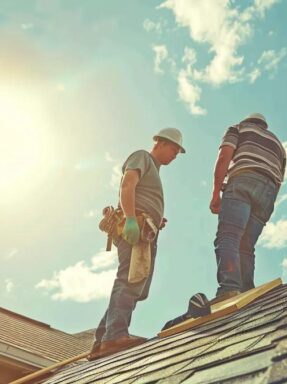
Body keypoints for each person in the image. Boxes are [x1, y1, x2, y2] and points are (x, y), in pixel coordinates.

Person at [91, 127, 185, 358]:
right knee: (130, 278)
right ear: (161, 143)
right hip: (136, 228)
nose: (175, 155)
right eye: (174, 149)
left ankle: (102, 341)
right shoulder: (142, 156)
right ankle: (114, 335)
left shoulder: (154, 170)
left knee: (137, 284)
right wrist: (132, 218)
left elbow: (139, 191)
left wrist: (154, 218)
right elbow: (127, 185)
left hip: (146, 229)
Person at [210, 113, 286, 303]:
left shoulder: (239, 128)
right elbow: (280, 180)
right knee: (246, 245)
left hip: (244, 180)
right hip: (269, 192)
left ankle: (229, 289)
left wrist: (215, 193)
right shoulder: (278, 145)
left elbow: (224, 157)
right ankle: (246, 293)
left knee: (228, 236)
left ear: (247, 121)